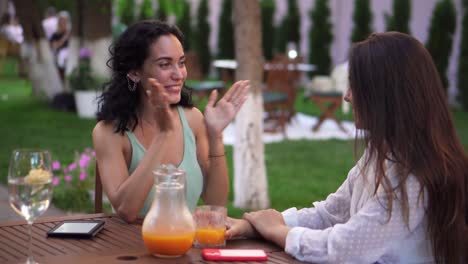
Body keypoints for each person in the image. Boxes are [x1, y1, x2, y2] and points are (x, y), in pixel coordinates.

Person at [226, 32, 468, 264]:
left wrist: (277, 231)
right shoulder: (383, 155)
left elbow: (345, 249)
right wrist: (257, 225)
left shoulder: (414, 176)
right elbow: (330, 214)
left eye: (355, 86)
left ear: (385, 94)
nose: (347, 96)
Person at [93, 20, 249, 223]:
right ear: (133, 72)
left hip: (187, 246)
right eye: (164, 64)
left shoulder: (193, 120)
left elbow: (216, 203)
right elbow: (126, 210)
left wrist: (216, 135)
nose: (179, 74)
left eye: (181, 63)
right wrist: (163, 135)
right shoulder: (109, 132)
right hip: (131, 249)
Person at [49, 11, 70, 81]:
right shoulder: (55, 35)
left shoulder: (71, 34)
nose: (63, 23)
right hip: (59, 57)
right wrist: (63, 39)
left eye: (65, 21)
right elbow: (54, 46)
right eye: (61, 21)